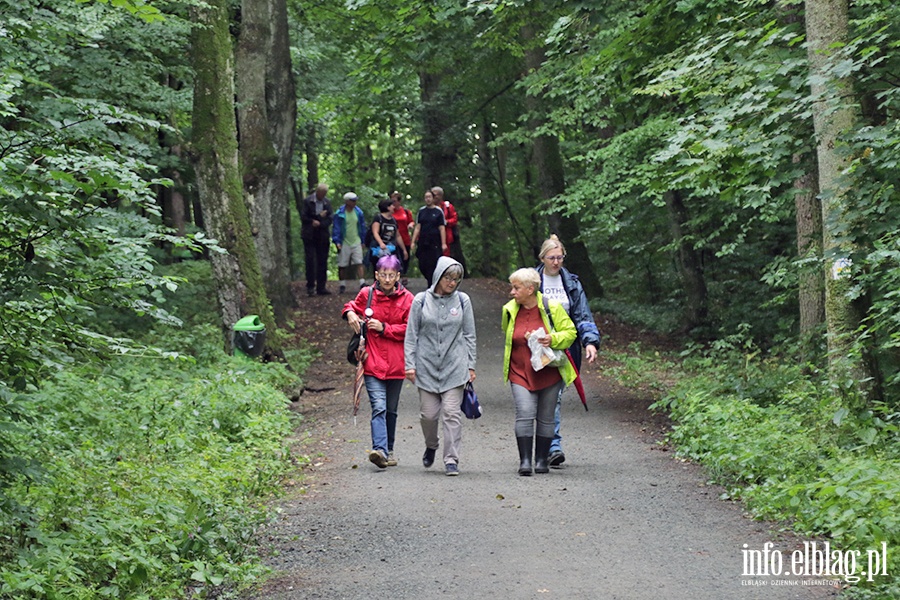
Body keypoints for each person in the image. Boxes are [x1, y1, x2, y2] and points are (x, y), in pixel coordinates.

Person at [404, 256, 476, 476]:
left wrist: (471, 365)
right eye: (448, 277)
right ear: (438, 276)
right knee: (428, 415)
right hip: (426, 367)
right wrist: (410, 364)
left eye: (456, 279)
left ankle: (451, 459)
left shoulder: (462, 300)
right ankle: (431, 444)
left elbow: (469, 334)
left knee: (452, 413)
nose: (452, 283)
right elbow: (411, 335)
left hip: (455, 366)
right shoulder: (420, 300)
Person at [501, 267, 577, 476]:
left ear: (530, 289)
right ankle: (525, 461)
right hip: (519, 371)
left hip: (549, 371)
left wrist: (552, 339)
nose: (512, 292)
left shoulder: (551, 307)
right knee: (524, 413)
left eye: (516, 288)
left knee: (546, 417)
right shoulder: (509, 309)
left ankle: (541, 460)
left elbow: (570, 332)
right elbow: (508, 337)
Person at [342, 255, 414, 469]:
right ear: (376, 275)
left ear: (398, 276)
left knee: (391, 410)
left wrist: (385, 328)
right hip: (372, 361)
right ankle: (379, 450)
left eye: (391, 275)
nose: (387, 279)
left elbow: (412, 329)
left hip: (396, 363)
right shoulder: (368, 294)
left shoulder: (408, 299)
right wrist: (350, 314)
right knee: (379, 407)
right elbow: (350, 306)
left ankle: (389, 450)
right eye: (383, 275)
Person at [536, 235, 601, 467]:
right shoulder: (532, 281)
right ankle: (544, 442)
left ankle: (551, 445)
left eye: (560, 257)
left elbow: (582, 315)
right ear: (542, 258)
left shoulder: (572, 283)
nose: (556, 262)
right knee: (539, 397)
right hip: (538, 348)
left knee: (554, 397)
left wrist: (590, 342)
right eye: (552, 258)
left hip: (565, 349)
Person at [298, 183, 334, 296]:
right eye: (321, 193)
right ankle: (310, 287)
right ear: (317, 192)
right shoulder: (308, 201)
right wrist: (314, 220)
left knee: (322, 261)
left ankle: (321, 287)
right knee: (310, 260)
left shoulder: (327, 203)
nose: (323, 196)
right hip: (309, 235)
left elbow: (330, 218)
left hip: (322, 235)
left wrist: (321, 223)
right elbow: (304, 216)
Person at [409, 190, 446, 287]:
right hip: (423, 241)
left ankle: (432, 284)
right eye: (426, 197)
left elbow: (442, 228)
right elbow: (418, 227)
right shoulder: (421, 211)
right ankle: (429, 278)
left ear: (433, 198)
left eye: (429, 197)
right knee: (422, 263)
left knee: (433, 263)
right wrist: (413, 241)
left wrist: (443, 243)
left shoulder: (438, 212)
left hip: (435, 241)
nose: (428, 199)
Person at [332, 192, 367, 294]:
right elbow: (336, 228)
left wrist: (363, 240)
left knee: (359, 262)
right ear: (347, 201)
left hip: (356, 241)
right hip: (344, 242)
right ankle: (342, 284)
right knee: (342, 265)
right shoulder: (340, 213)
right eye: (353, 200)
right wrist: (337, 241)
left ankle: (362, 282)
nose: (355, 202)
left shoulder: (358, 212)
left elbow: (362, 226)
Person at [369, 198, 408, 276]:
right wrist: (381, 243)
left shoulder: (393, 220)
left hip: (391, 248)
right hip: (378, 249)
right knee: (379, 267)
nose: (394, 207)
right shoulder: (378, 218)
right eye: (392, 205)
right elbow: (375, 232)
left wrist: (404, 250)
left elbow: (397, 235)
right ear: (387, 207)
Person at [431, 186, 465, 268]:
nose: (433, 197)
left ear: (440, 196)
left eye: (435, 195)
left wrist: (446, 222)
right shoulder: (428, 208)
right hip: (432, 236)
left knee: (445, 257)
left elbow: (454, 219)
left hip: (446, 236)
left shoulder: (447, 206)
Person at [390, 191, 415, 284]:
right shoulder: (390, 212)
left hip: (405, 238)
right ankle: (395, 275)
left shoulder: (405, 211)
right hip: (393, 239)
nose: (393, 203)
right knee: (395, 257)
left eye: (395, 201)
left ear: (399, 201)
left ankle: (404, 275)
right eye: (392, 201)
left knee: (405, 257)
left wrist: (410, 225)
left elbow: (411, 221)